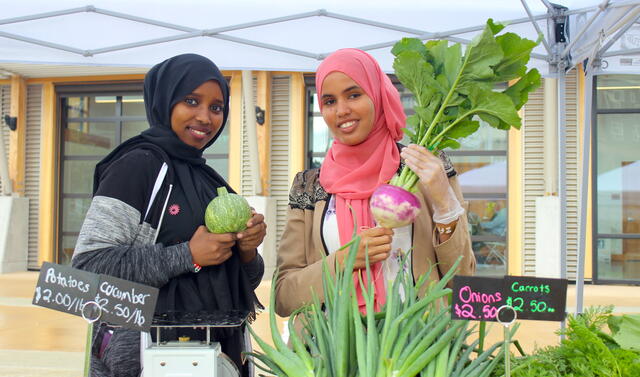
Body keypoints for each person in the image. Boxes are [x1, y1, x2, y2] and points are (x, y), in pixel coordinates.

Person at [72, 54, 266, 377]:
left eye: (216, 108)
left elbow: (239, 283)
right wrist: (186, 255)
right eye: (191, 101)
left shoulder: (208, 181)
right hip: (146, 358)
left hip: (217, 356)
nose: (205, 117)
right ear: (165, 100)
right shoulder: (137, 167)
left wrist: (247, 253)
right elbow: (87, 275)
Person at [274, 48, 475, 318]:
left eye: (354, 95)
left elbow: (463, 284)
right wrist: (342, 262)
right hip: (330, 353)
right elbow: (284, 298)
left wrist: (444, 203)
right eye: (330, 101)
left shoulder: (422, 168)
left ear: (378, 95)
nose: (342, 110)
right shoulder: (309, 186)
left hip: (417, 346)